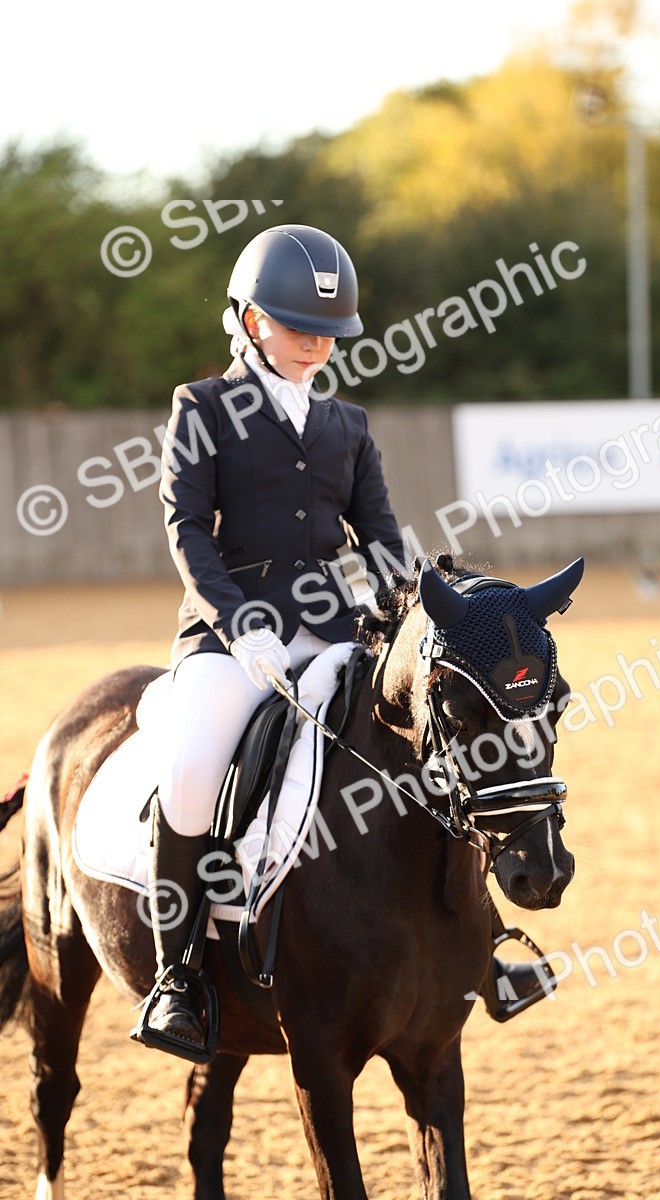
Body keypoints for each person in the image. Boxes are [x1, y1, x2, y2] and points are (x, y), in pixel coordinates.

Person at [137, 224, 406, 1055]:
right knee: (188, 776)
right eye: (300, 328)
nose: (317, 344)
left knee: (416, 744)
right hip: (231, 638)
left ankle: (479, 940)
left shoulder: (348, 425)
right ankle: (176, 978)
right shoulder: (204, 408)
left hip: (330, 636)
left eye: (328, 332)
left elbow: (383, 542)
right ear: (250, 321)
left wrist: (417, 604)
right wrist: (234, 623)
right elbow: (188, 530)